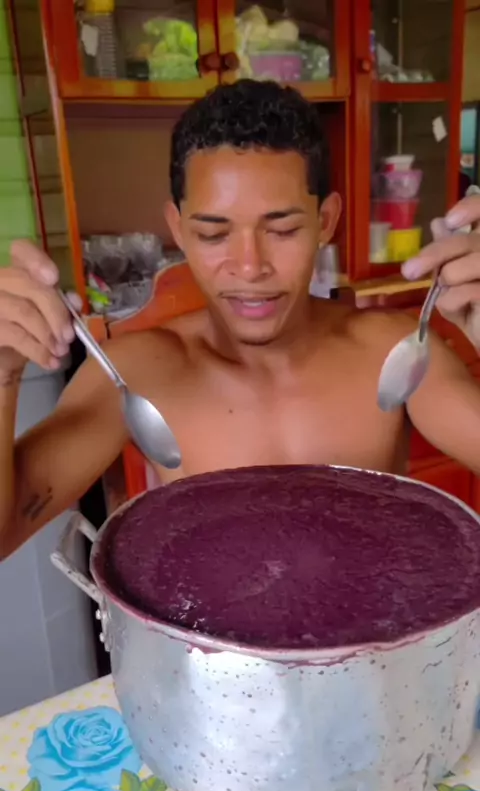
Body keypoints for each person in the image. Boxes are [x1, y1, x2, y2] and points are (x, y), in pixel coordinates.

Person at [1, 80, 480, 558]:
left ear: (325, 222)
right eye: (213, 234)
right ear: (178, 229)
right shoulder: (134, 373)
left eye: (283, 229)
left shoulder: (397, 354)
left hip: (380, 607)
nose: (250, 268)